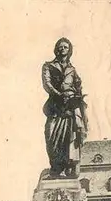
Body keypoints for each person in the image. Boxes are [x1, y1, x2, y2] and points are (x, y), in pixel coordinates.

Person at [42, 38, 88, 178]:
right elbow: (47, 84)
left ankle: (68, 168)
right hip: (55, 106)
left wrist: (78, 94)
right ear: (56, 49)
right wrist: (59, 94)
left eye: (65, 47)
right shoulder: (48, 66)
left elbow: (78, 86)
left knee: (70, 137)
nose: (62, 49)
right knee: (51, 136)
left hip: (71, 106)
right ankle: (55, 167)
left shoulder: (72, 70)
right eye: (60, 47)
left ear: (69, 50)